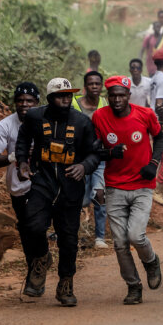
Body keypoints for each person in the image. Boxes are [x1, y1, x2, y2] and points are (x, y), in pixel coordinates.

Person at [15, 77, 101, 306]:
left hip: (70, 189)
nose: (66, 98)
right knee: (30, 225)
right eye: (61, 95)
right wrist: (22, 163)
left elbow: (94, 153)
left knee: (69, 239)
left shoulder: (82, 122)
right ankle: (42, 259)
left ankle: (65, 283)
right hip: (42, 183)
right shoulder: (35, 117)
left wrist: (84, 167)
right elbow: (23, 139)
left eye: (69, 95)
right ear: (50, 98)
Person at [91, 76, 163, 304]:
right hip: (114, 186)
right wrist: (108, 154)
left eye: (121, 95)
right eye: (112, 95)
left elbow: (160, 137)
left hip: (142, 185)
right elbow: (93, 150)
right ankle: (133, 286)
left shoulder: (145, 114)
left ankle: (151, 261)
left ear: (128, 96)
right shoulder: (99, 117)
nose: (116, 99)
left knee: (136, 235)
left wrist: (154, 164)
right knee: (120, 242)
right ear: (107, 97)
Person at [0, 82, 39, 293]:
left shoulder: (46, 122)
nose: (24, 104)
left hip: (42, 184)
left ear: (37, 102)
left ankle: (38, 269)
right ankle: (33, 267)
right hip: (18, 186)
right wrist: (12, 156)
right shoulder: (5, 126)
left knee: (37, 226)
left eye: (29, 101)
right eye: (20, 101)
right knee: (26, 230)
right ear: (15, 103)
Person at [73, 70, 108, 248]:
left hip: (100, 157)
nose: (94, 87)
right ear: (85, 86)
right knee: (81, 198)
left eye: (97, 84)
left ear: (101, 86)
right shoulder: (74, 103)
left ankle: (99, 237)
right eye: (91, 84)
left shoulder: (105, 104)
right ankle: (72, 234)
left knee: (99, 194)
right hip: (79, 158)